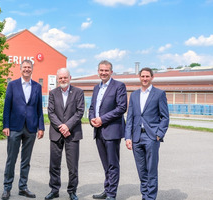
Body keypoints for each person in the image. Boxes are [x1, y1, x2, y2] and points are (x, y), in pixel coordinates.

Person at [1, 59, 45, 200]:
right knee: (11, 159)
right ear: (20, 69)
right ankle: (7, 188)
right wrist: (5, 125)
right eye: (24, 67)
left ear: (32, 69)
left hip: (31, 128)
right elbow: (7, 107)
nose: (27, 69)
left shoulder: (37, 87)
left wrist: (41, 127)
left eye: (29, 67)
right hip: (14, 127)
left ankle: (23, 187)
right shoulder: (12, 85)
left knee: (26, 160)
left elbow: (39, 109)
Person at [125, 68, 169, 200]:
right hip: (137, 137)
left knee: (151, 170)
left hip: (151, 137)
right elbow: (130, 117)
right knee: (141, 170)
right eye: (143, 76)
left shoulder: (159, 94)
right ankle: (145, 195)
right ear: (139, 77)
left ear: (152, 77)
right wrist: (128, 137)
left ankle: (150, 197)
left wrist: (159, 134)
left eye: (147, 76)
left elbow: (165, 117)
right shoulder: (134, 95)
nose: (145, 78)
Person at [89, 60, 127, 200]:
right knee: (106, 164)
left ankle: (112, 194)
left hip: (112, 131)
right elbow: (92, 107)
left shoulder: (119, 86)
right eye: (101, 70)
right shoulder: (96, 88)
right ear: (98, 71)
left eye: (106, 70)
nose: (103, 73)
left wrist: (102, 119)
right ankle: (107, 189)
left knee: (112, 164)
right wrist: (92, 119)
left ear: (111, 71)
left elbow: (121, 108)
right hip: (98, 131)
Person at [45, 68, 85, 200]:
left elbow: (80, 111)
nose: (63, 80)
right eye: (60, 78)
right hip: (56, 133)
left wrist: (67, 125)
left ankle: (72, 191)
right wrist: (61, 127)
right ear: (57, 79)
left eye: (65, 77)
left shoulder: (78, 92)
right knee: (54, 164)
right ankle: (54, 189)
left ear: (70, 78)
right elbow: (50, 112)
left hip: (72, 133)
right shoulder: (53, 93)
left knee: (73, 166)